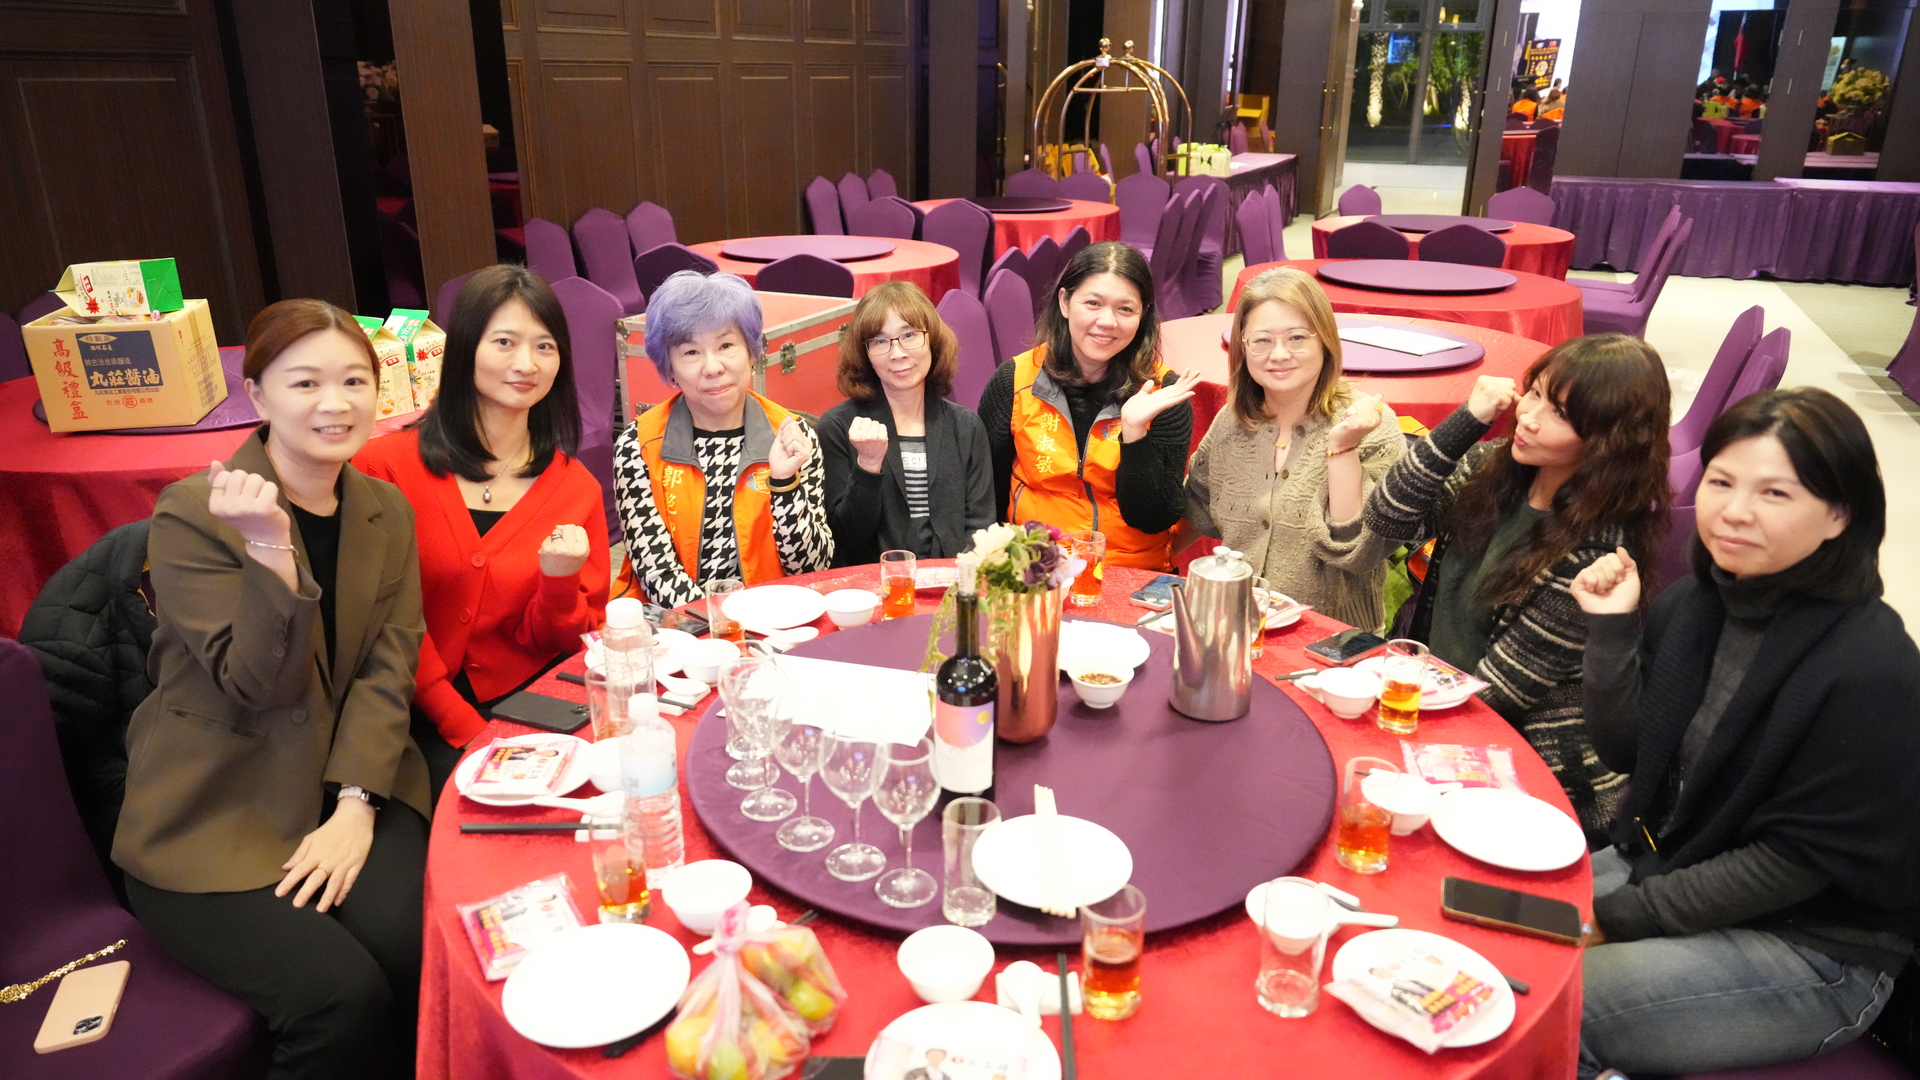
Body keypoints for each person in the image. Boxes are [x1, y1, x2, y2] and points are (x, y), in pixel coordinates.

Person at [115, 299, 431, 1079]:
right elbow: (257, 683)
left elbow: (387, 665)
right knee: (339, 997)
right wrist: (267, 550)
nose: (335, 403)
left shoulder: (385, 509)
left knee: (413, 943)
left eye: (354, 381)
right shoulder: (195, 512)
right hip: (218, 806)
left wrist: (357, 803)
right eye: (305, 383)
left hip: (344, 778)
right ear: (256, 394)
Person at [1569, 388, 1916, 1079]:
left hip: (1813, 946)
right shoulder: (1697, 605)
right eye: (1722, 481)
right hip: (1676, 861)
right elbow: (1627, 753)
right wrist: (1610, 631)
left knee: (1549, 1000)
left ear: (1841, 514)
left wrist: (1616, 918)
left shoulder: (1873, 669)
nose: (1733, 511)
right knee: (1486, 935)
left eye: (1775, 493)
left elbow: (1790, 864)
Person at [1363, 334, 1671, 842]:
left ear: (1607, 441)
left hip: (1527, 771)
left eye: (1560, 414)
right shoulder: (1496, 470)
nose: (1528, 417)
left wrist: (1394, 723)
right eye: (1534, 393)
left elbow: (1496, 695)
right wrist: (1466, 421)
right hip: (1442, 709)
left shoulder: (1594, 555)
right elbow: (1385, 517)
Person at [355, 265, 609, 799]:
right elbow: (378, 619)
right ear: (465, 348)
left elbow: (565, 644)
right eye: (504, 342)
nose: (526, 364)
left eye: (544, 346)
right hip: (409, 711)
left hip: (530, 705)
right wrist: (465, 726)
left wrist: (559, 582)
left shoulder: (575, 488)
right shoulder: (385, 466)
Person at [1181, 267, 1405, 631]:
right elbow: (1195, 509)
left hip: (1335, 641)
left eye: (1297, 337)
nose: (1279, 354)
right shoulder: (1232, 422)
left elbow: (1358, 551)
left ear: (1325, 341)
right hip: (1238, 626)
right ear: (1242, 347)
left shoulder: (1372, 426)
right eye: (1261, 340)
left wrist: (1343, 447)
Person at [976, 241, 1203, 570]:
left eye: (1125, 309)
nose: (1107, 321)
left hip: (1128, 571)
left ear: (1143, 315)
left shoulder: (1164, 394)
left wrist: (1135, 435)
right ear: (1065, 302)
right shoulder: (1014, 380)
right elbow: (987, 494)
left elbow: (1153, 519)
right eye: (1093, 303)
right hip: (1035, 566)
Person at [612, 271, 831, 605]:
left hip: (775, 614)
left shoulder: (793, 437)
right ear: (670, 368)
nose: (712, 367)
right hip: (675, 624)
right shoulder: (637, 446)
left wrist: (785, 484)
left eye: (726, 345)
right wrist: (723, 625)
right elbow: (658, 575)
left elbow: (812, 569)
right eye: (691, 352)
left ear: (752, 353)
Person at [818, 280, 995, 565]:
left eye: (909, 335)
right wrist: (867, 467)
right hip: (874, 584)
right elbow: (846, 543)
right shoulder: (838, 427)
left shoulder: (966, 427)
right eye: (880, 341)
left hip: (953, 582)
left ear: (932, 340)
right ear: (865, 354)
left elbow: (980, 529)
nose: (898, 353)